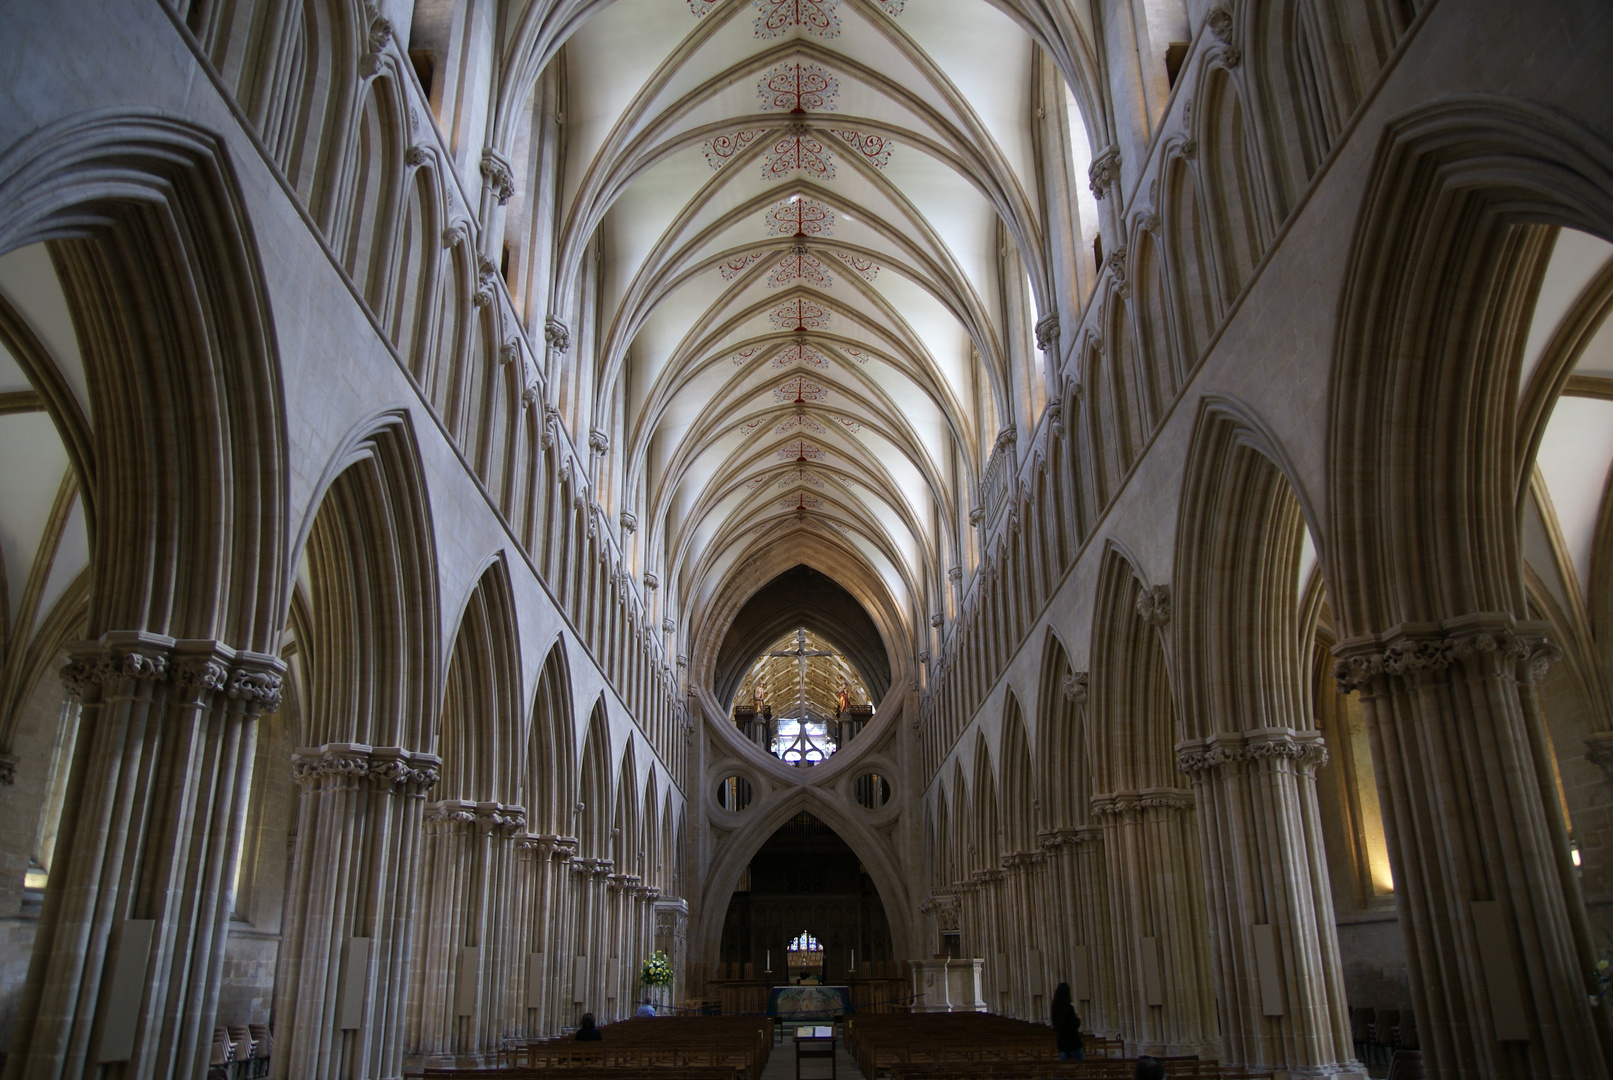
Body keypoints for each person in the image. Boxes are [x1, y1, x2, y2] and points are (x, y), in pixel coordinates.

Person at [1050, 981, 1084, 1060]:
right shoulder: (1068, 1008)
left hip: (1062, 1043)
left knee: (1065, 1069)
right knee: (1082, 1066)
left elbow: (1056, 1025)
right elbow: (1072, 1026)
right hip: (1073, 1042)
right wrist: (1078, 1019)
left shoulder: (1055, 1008)